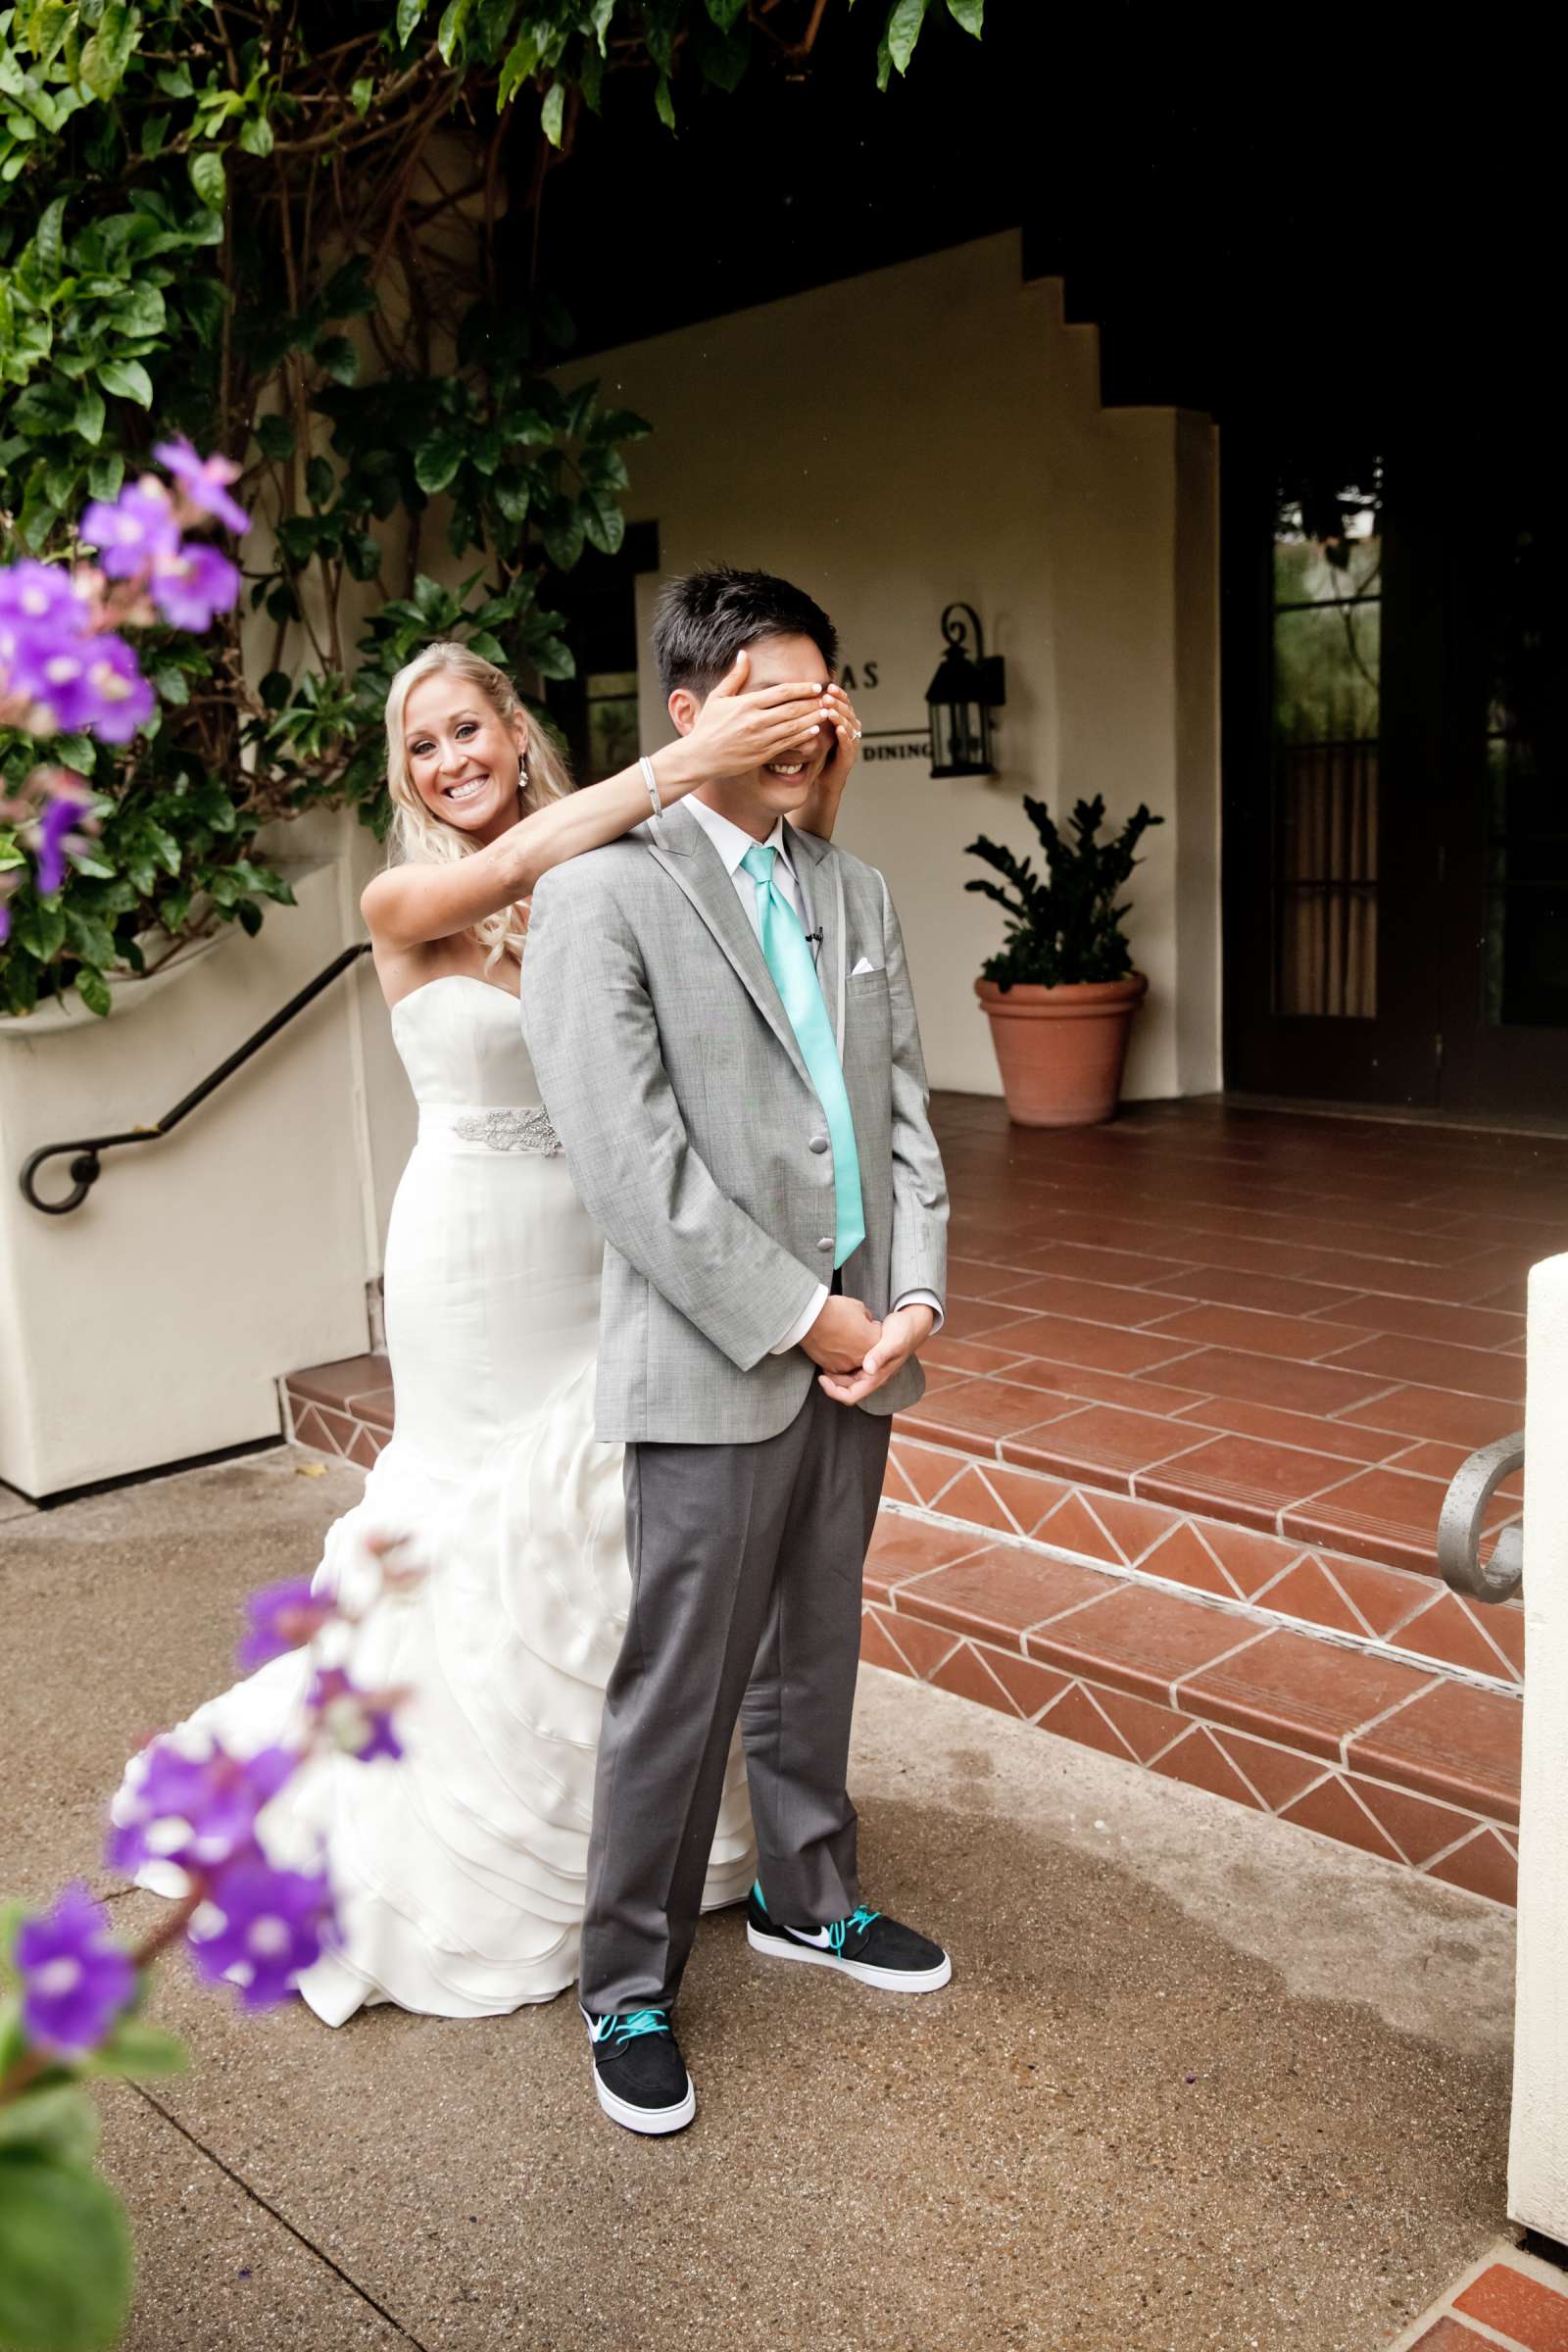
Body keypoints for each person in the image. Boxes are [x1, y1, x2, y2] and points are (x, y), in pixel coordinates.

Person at [113, 635, 864, 2024]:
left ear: (518, 733)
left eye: (471, 729)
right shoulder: (404, 895)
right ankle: (480, 1832)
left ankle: (630, 1827)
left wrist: (809, 797)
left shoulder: (605, 877)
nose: (453, 761)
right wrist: (678, 765)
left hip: (605, 1238)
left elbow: (740, 916)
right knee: (474, 1515)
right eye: (423, 746)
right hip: (468, 1250)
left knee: (604, 1501)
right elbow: (514, 871)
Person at [522, 565, 952, 2137]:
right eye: (773, 692)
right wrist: (802, 1311)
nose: (808, 724)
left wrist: (909, 1300)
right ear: (691, 712)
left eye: (824, 695)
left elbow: (904, 1117)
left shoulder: (854, 891)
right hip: (723, 1350)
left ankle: (808, 1894)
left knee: (815, 1644)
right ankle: (625, 1981)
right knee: (683, 1682)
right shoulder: (602, 895)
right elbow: (634, 1174)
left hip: (863, 1344)